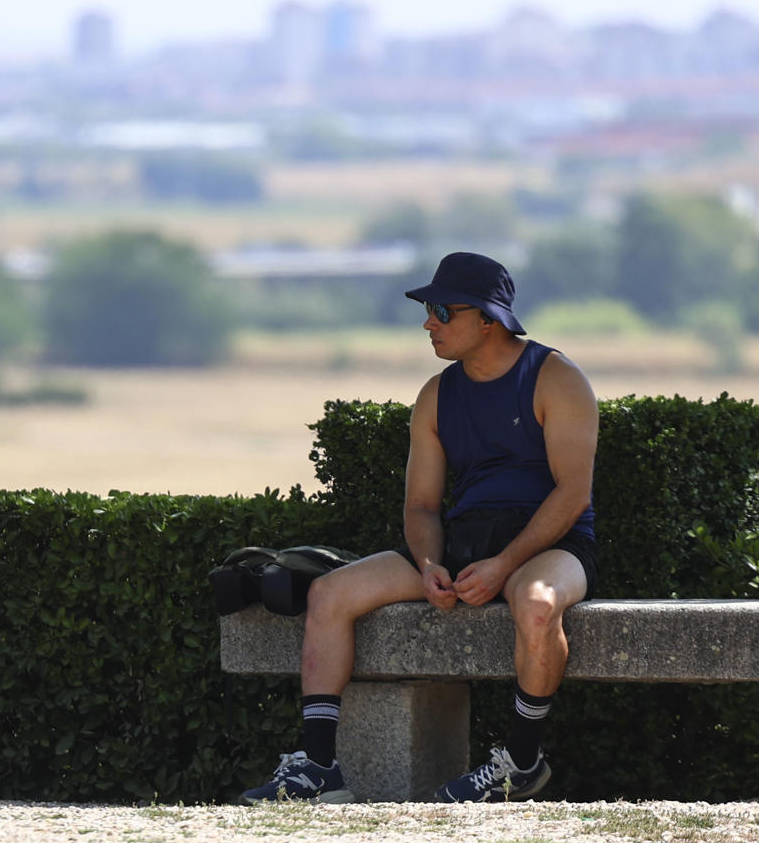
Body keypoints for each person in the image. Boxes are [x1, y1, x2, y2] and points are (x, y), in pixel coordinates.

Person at [241, 251, 599, 805]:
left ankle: (522, 765)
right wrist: (431, 567)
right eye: (427, 309)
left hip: (551, 543)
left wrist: (504, 566)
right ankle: (318, 769)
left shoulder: (557, 378)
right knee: (330, 592)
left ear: (488, 318)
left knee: (536, 602)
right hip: (462, 545)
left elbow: (573, 494)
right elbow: (421, 507)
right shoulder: (435, 395)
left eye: (440, 310)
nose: (427, 322)